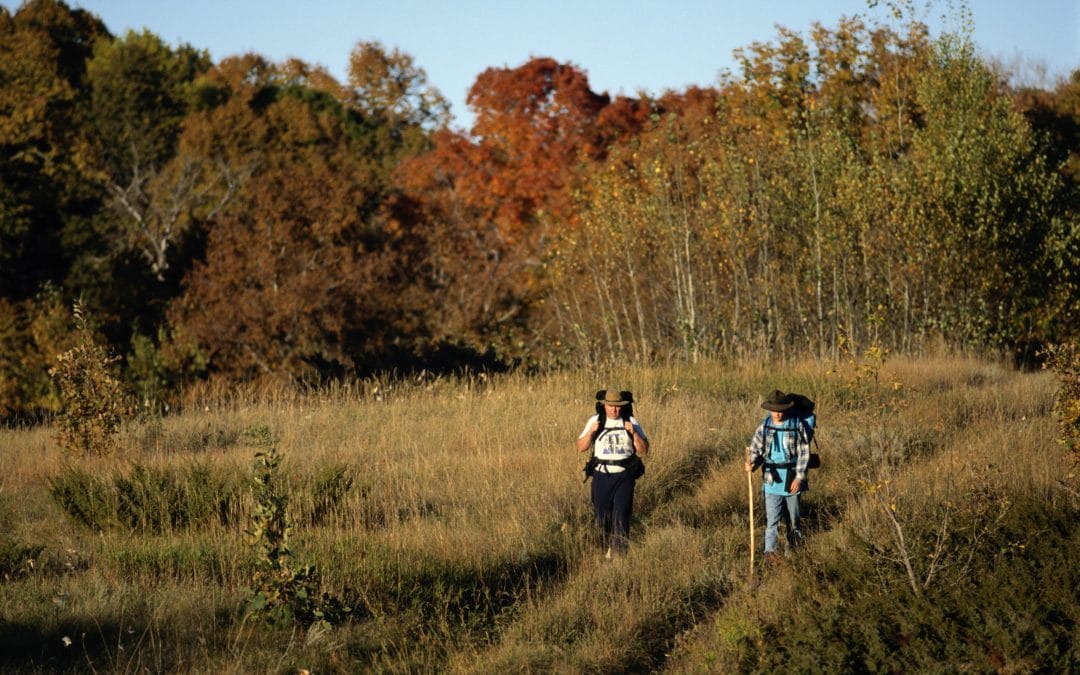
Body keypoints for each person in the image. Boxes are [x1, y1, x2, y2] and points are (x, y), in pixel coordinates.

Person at [577, 389, 649, 557]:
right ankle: (604, 550)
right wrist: (591, 432)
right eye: (611, 406)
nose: (614, 410)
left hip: (624, 476)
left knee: (621, 516)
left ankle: (619, 558)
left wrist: (634, 433)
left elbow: (644, 450)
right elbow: (581, 447)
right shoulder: (595, 421)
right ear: (604, 406)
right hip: (602, 476)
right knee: (602, 519)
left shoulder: (630, 421)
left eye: (618, 406)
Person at [744, 389, 811, 564]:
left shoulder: (797, 425)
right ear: (770, 409)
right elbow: (756, 450)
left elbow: (804, 454)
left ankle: (793, 553)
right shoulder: (764, 427)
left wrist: (799, 478)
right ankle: (770, 554)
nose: (777, 413)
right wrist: (751, 463)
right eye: (774, 410)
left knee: (793, 521)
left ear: (786, 409)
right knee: (772, 521)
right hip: (771, 480)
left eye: (780, 409)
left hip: (792, 480)